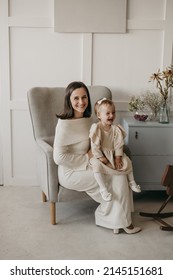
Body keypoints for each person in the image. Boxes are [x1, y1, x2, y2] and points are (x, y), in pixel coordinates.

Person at [53, 81, 141, 234]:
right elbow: (59, 158)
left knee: (121, 172)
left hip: (92, 163)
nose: (81, 102)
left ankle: (120, 221)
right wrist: (87, 157)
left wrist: (114, 154)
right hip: (71, 171)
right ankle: (112, 219)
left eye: (84, 97)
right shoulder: (64, 125)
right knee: (117, 177)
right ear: (69, 100)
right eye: (76, 98)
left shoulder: (90, 120)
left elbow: (100, 142)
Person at [89, 98, 141, 202]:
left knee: (127, 161)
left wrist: (118, 158)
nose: (111, 115)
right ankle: (103, 189)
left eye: (113, 112)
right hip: (101, 155)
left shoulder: (116, 129)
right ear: (99, 115)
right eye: (107, 113)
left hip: (112, 154)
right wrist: (102, 158)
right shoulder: (97, 128)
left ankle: (132, 181)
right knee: (96, 166)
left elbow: (118, 145)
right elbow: (95, 146)